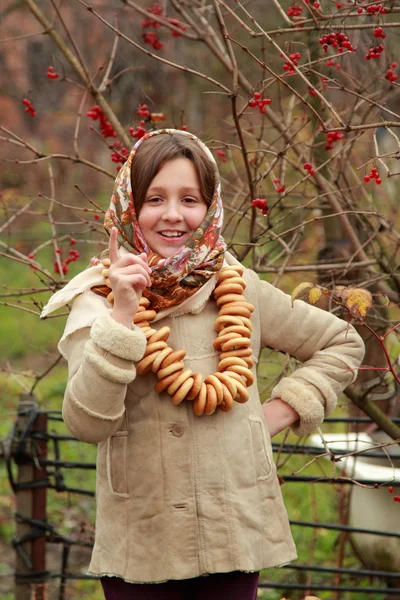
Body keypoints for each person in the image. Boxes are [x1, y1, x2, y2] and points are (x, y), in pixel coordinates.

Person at [41, 129, 365, 600]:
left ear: (210, 208)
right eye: (155, 198)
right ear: (129, 207)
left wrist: (279, 411)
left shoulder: (238, 286)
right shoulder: (96, 302)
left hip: (233, 528)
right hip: (143, 542)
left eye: (189, 199)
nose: (173, 215)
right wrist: (123, 315)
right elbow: (86, 423)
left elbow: (341, 341)